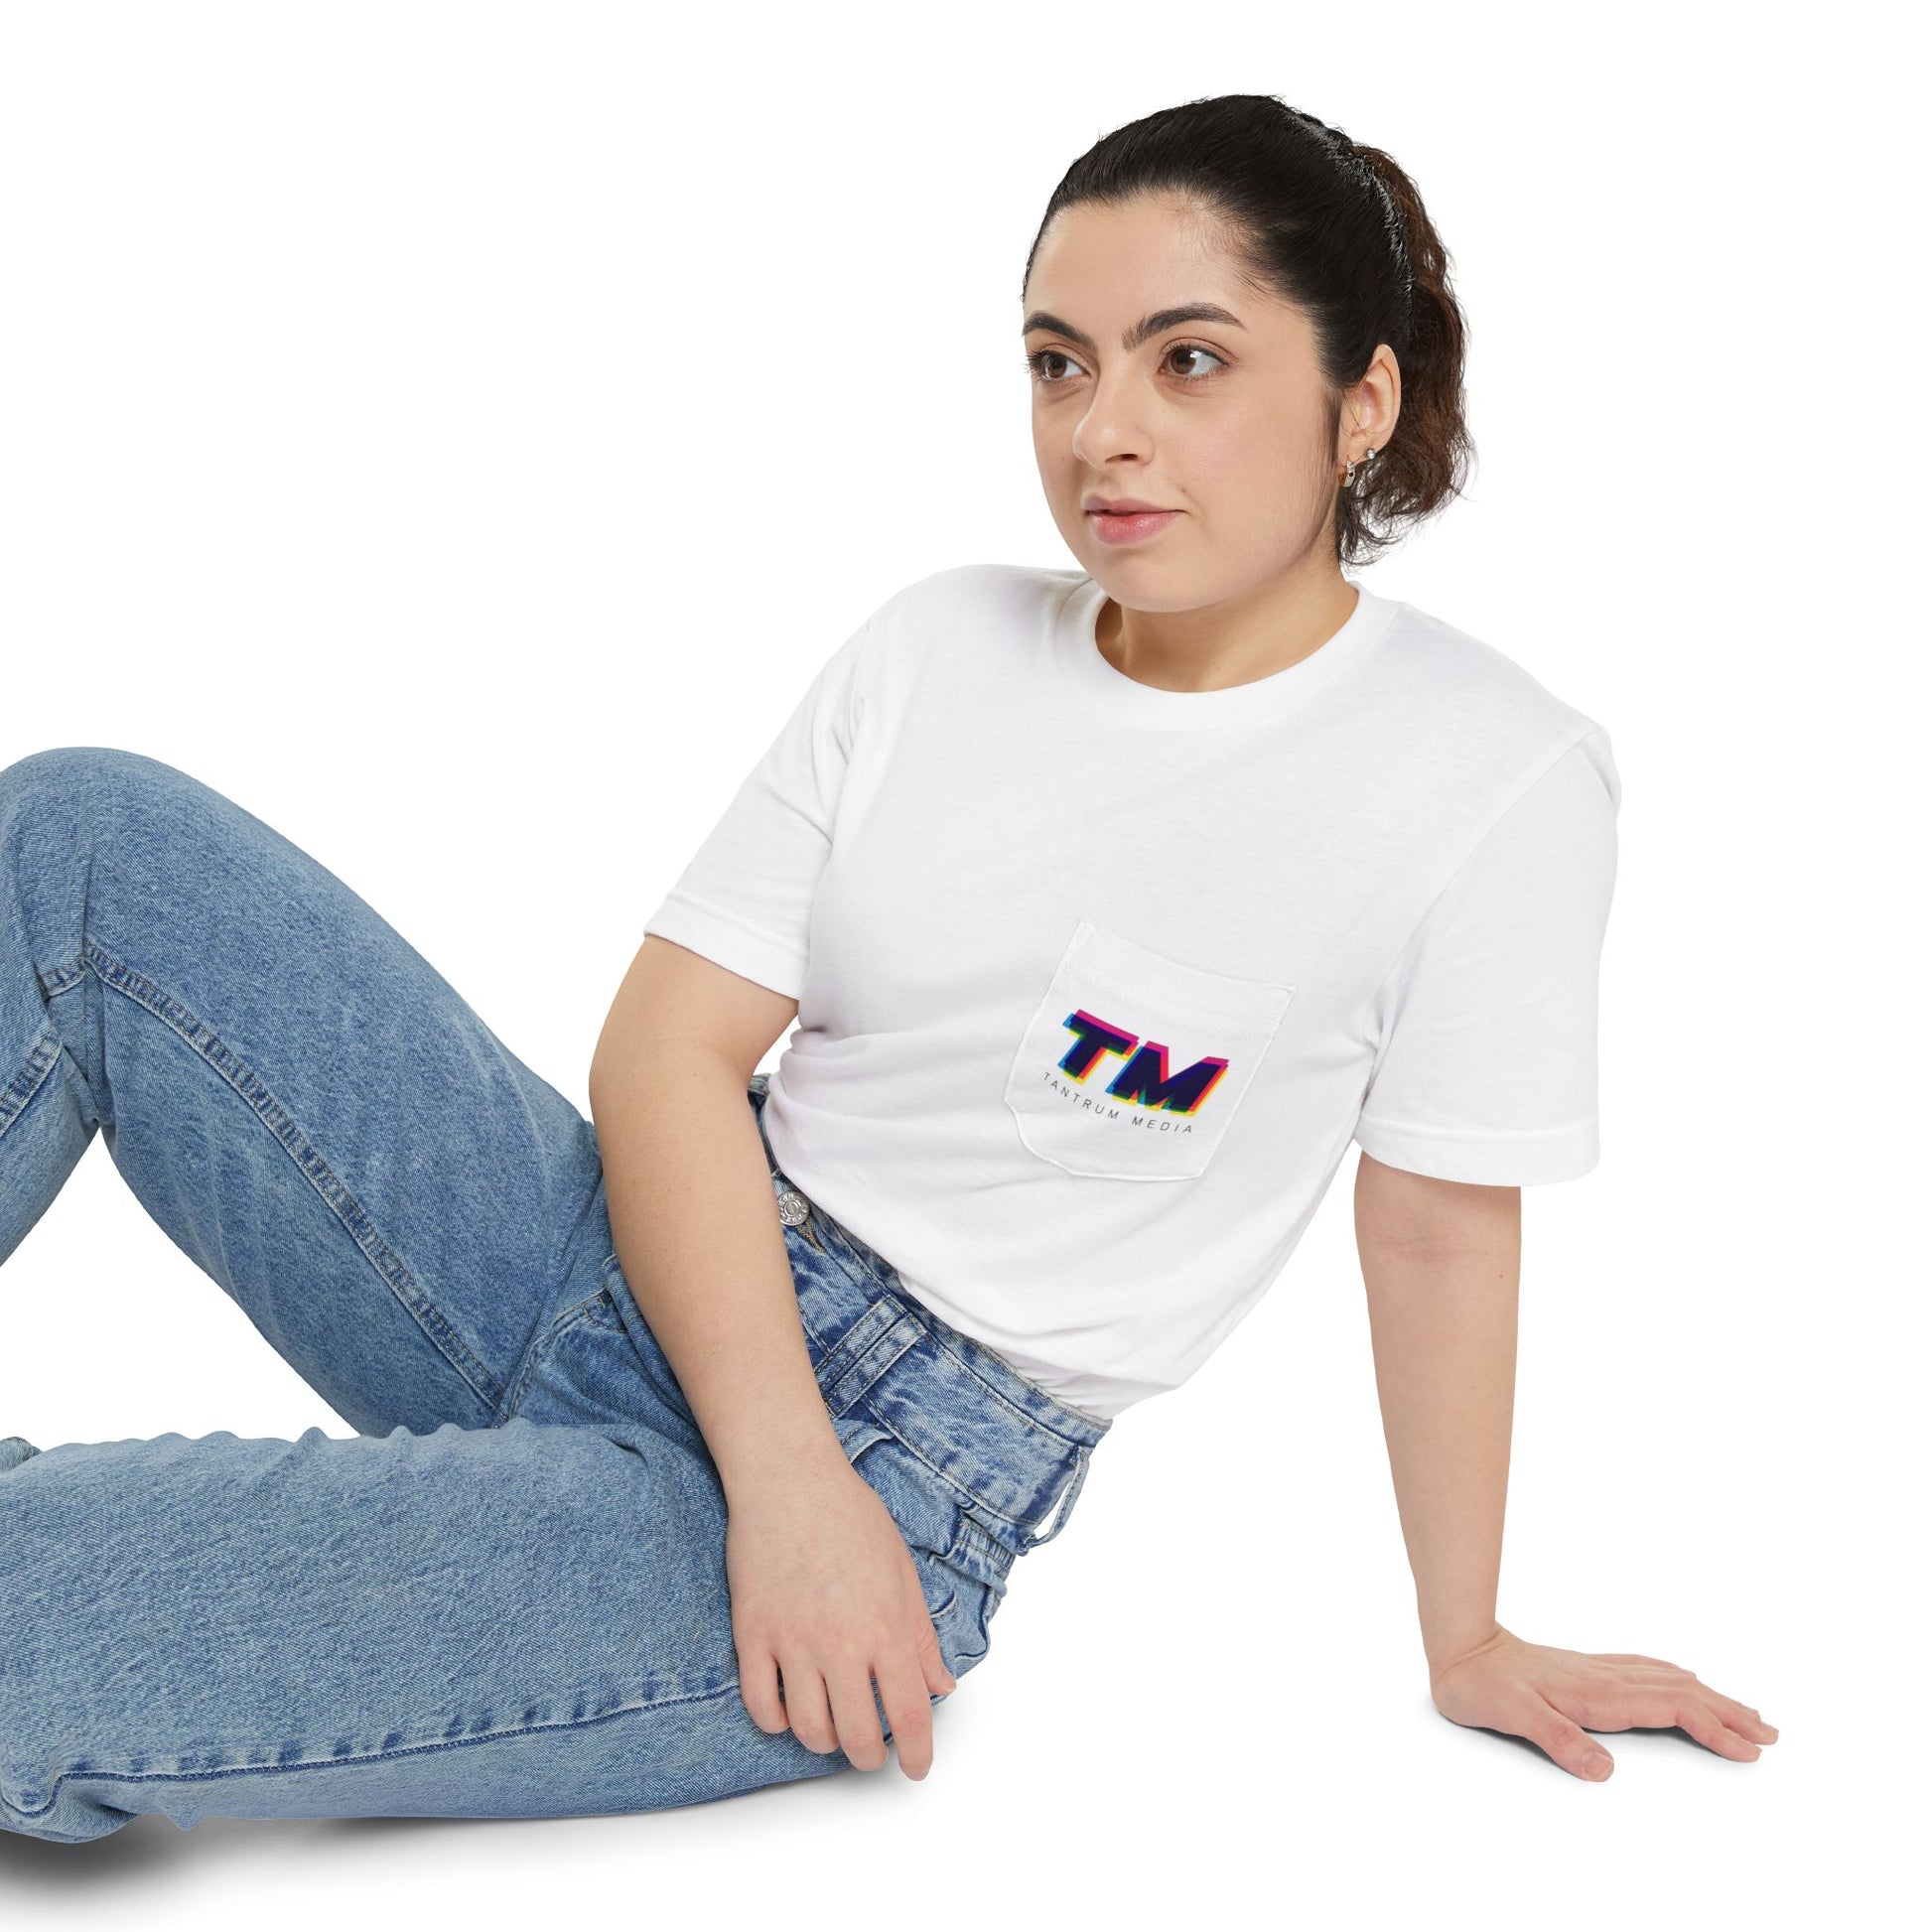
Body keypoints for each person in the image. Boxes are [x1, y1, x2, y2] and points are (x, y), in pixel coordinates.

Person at [0, 93, 1775, 1845]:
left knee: (30, 1628)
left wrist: (1465, 1634)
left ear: (1358, 399)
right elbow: (669, 1050)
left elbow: (1440, 1229)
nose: (1102, 432)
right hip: (636, 1255)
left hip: (890, 1476)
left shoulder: (1489, 775)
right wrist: (775, 1449)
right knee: (88, 842)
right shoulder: (937, 643)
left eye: (1190, 362)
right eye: (1059, 363)